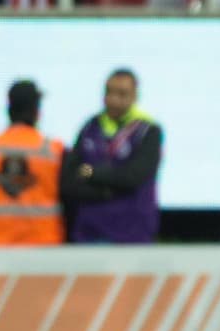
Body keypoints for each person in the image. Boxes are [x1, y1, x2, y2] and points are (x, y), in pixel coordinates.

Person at [60, 69, 163, 244]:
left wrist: (93, 174)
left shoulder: (148, 131)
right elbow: (70, 180)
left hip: (132, 234)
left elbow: (132, 177)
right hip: (89, 232)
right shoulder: (89, 127)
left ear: (134, 96)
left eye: (122, 94)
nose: (114, 99)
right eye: (109, 92)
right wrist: (109, 189)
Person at [0, 80, 65, 247]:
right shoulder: (54, 151)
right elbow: (69, 199)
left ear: (8, 110)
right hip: (45, 253)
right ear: (36, 111)